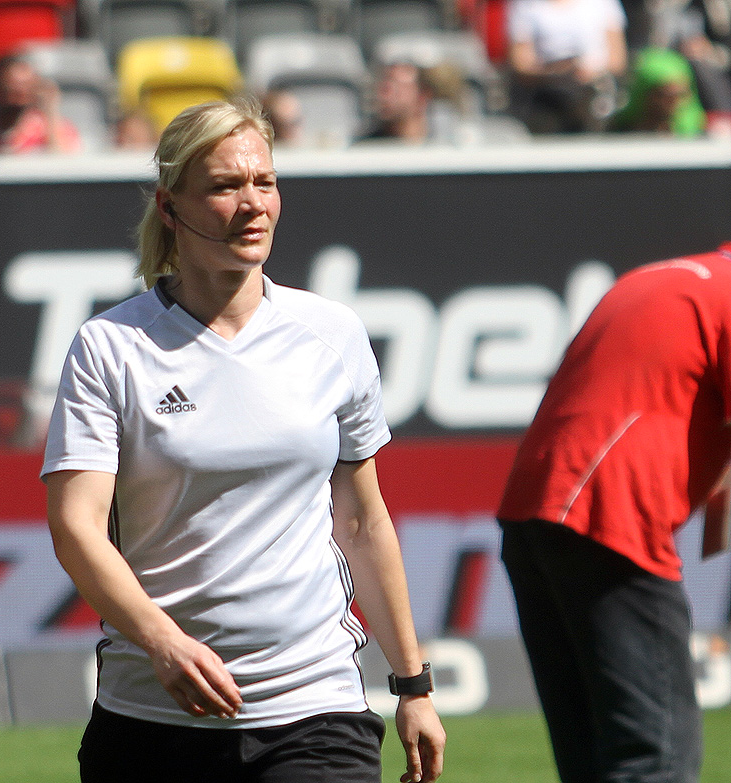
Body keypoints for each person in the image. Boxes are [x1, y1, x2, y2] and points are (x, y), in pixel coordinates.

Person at [42, 97, 445, 783]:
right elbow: (76, 527)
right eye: (226, 186)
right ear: (170, 206)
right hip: (152, 716)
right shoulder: (110, 346)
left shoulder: (333, 334)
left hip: (316, 711)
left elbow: (361, 519)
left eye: (265, 181)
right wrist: (164, 642)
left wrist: (413, 684)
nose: (253, 203)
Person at [497, 241, 731, 782]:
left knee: (592, 758)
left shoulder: (667, 277)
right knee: (656, 758)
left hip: (534, 512)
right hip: (608, 516)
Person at [506, 0, 628, 132]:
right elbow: (521, 66)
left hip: (596, 95)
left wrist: (589, 71)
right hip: (546, 97)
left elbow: (617, 61)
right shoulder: (526, 5)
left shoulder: (604, 3)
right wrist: (559, 73)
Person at [610, 47, 707, 136]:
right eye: (666, 95)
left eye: (681, 95)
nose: (674, 101)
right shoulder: (619, 134)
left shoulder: (698, 135)